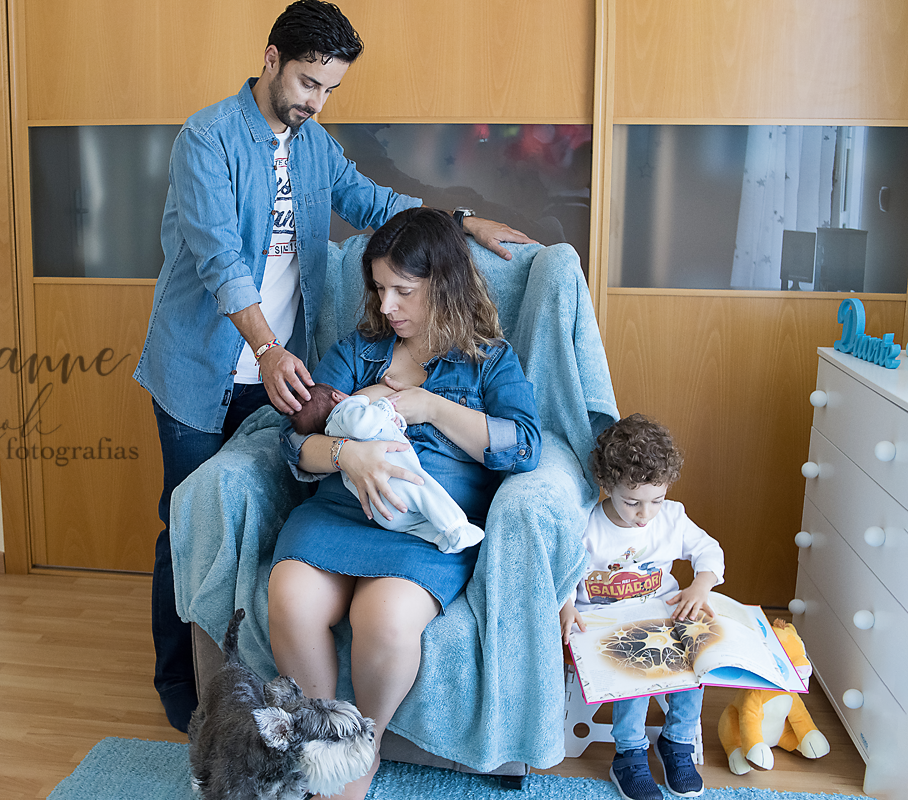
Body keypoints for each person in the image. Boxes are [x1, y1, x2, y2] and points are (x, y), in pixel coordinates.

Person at [132, 0, 535, 732]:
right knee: (189, 519)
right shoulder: (208, 139)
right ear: (270, 59)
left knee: (277, 499)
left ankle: (274, 694)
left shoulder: (312, 144)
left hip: (287, 367)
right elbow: (221, 259)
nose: (316, 102)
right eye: (308, 83)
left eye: (329, 90)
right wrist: (264, 346)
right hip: (208, 367)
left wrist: (458, 220)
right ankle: (183, 686)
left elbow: (374, 201)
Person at [267, 207, 542, 799]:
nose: (386, 305)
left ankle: (363, 751)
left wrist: (432, 407)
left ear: (443, 284)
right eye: (378, 288)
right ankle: (325, 749)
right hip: (338, 513)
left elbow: (524, 446)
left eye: (402, 290)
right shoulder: (357, 351)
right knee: (290, 597)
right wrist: (346, 455)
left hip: (426, 529)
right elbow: (295, 442)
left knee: (385, 620)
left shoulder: (488, 361)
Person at [559, 414, 726, 800]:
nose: (644, 513)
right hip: (603, 624)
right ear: (607, 485)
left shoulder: (672, 518)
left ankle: (677, 743)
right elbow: (564, 569)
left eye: (656, 500)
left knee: (696, 656)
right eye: (632, 501)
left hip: (659, 615)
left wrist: (701, 584)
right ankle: (630, 755)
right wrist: (566, 605)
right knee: (636, 666)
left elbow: (708, 550)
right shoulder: (588, 526)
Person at [288, 382, 484, 553]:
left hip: (380, 506)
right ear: (337, 396)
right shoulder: (346, 410)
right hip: (397, 480)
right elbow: (361, 426)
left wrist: (396, 424)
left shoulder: (331, 434)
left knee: (413, 524)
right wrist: (384, 406)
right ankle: (457, 529)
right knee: (429, 495)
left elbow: (378, 431)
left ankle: (441, 539)